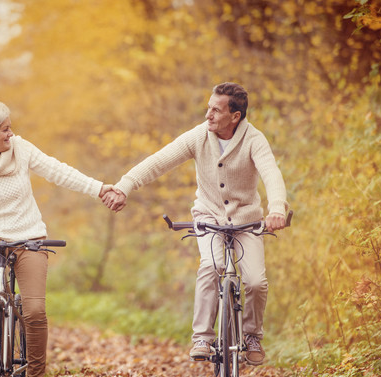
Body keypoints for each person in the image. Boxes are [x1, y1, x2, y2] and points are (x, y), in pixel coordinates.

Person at [102, 82, 288, 365]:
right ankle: (202, 336)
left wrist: (276, 208)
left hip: (247, 222)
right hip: (209, 218)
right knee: (211, 266)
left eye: (216, 110)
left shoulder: (254, 139)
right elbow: (158, 161)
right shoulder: (199, 137)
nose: (208, 115)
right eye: (208, 107)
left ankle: (252, 336)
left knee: (255, 282)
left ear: (235, 116)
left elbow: (271, 174)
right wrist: (124, 185)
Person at [0, 101, 113, 377]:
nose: (11, 134)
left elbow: (59, 171)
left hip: (30, 236)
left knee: (33, 311)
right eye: (5, 130)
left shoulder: (21, 149)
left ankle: (35, 372)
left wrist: (99, 188)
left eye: (10, 128)